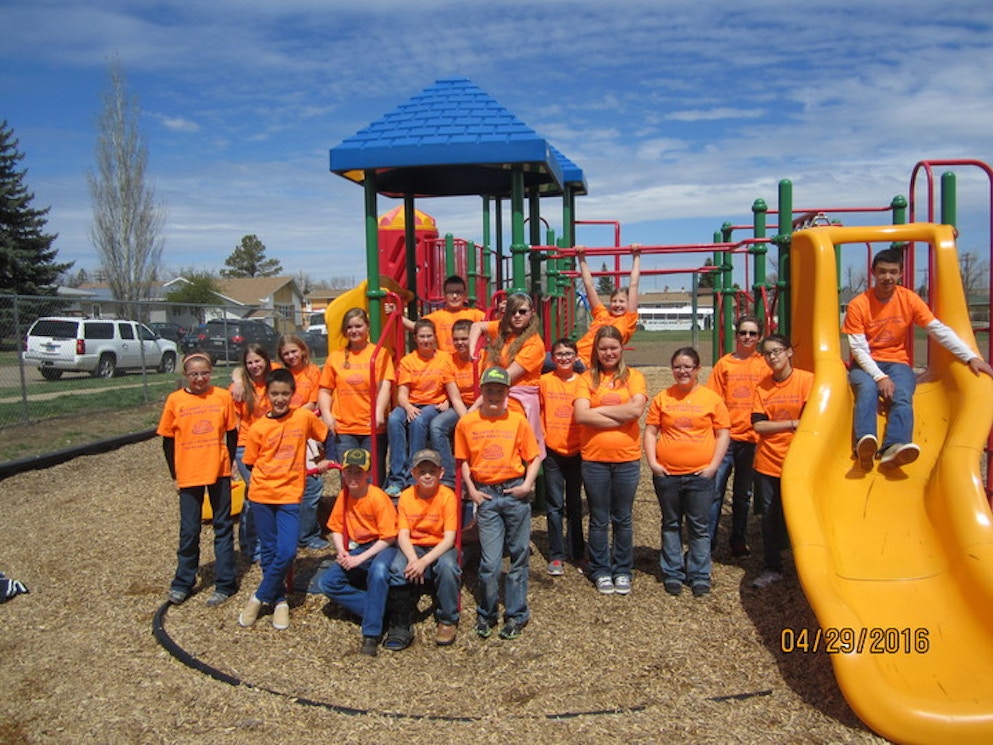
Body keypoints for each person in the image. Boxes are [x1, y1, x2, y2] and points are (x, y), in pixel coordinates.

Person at [844, 246, 993, 469]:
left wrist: (970, 356)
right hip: (866, 364)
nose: (887, 277)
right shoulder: (859, 304)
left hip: (897, 361)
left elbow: (937, 329)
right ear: (873, 273)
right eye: (882, 271)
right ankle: (865, 442)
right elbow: (858, 349)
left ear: (900, 274)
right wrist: (879, 377)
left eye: (893, 272)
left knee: (903, 393)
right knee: (867, 389)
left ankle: (895, 445)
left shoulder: (909, 299)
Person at [238, 368, 334, 630]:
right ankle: (279, 600)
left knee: (288, 550)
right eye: (274, 394)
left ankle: (259, 597)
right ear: (267, 396)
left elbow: (327, 435)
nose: (280, 399)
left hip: (290, 493)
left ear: (292, 394)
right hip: (262, 494)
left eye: (285, 393)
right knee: (269, 551)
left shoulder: (302, 418)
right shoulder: (259, 427)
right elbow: (249, 462)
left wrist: (326, 458)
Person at [455, 366, 541, 641]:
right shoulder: (467, 423)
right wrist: (472, 491)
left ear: (507, 393)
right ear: (481, 392)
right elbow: (464, 461)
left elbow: (534, 456)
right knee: (490, 562)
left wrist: (527, 485)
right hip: (487, 496)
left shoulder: (516, 420)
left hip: (514, 493)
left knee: (518, 556)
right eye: (489, 390)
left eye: (500, 390)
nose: (494, 395)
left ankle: (516, 614)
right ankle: (487, 613)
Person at [644, 348, 730, 597]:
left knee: (698, 526)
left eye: (688, 367)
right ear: (672, 369)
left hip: (699, 475)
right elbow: (650, 431)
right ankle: (672, 571)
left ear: (697, 370)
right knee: (671, 523)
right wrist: (653, 463)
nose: (682, 371)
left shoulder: (711, 399)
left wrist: (713, 466)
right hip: (668, 475)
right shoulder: (663, 398)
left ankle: (699, 573)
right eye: (678, 367)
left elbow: (723, 433)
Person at [157, 352, 238, 607]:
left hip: (218, 469)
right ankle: (183, 581)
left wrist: (232, 461)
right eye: (194, 374)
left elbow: (232, 433)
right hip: (189, 472)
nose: (200, 378)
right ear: (186, 376)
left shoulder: (222, 396)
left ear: (210, 372)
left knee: (222, 526)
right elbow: (167, 441)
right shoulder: (175, 400)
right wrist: (175, 475)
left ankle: (226, 582)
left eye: (204, 373)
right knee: (190, 530)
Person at [573, 325, 647, 596]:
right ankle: (601, 568)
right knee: (599, 517)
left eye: (613, 347)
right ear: (596, 350)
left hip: (626, 458)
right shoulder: (586, 379)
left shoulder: (634, 377)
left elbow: (637, 410)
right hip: (595, 458)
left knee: (623, 517)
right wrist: (620, 414)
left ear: (621, 348)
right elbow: (581, 415)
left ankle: (623, 569)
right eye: (603, 348)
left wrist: (598, 410)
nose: (608, 352)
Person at [316, 448, 398, 656]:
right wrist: (342, 551)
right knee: (328, 583)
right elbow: (336, 527)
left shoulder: (378, 498)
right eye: (349, 472)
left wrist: (359, 558)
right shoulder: (344, 496)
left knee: (378, 572)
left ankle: (371, 633)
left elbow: (388, 537)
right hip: (357, 547)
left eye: (358, 472)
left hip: (381, 546)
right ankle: (379, 611)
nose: (353, 477)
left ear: (368, 474)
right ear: (342, 473)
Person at [750, 334, 814, 588]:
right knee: (769, 516)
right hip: (768, 462)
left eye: (777, 351)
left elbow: (811, 420)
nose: (772, 357)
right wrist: (792, 424)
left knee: (801, 516)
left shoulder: (806, 381)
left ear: (789, 352)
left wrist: (792, 425)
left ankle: (806, 567)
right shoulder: (763, 387)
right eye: (767, 353)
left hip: (800, 462)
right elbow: (758, 425)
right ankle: (772, 566)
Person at [383, 449, 461, 650]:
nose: (427, 475)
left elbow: (449, 538)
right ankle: (401, 621)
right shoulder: (407, 496)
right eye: (422, 471)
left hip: (439, 545)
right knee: (398, 567)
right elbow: (403, 534)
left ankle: (447, 619)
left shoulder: (447, 496)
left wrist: (423, 562)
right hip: (414, 546)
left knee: (448, 566)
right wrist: (412, 559)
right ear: (413, 473)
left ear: (441, 473)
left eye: (432, 471)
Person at [705, 314, 767, 557]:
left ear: (759, 337)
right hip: (727, 438)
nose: (747, 337)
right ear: (737, 335)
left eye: (752, 333)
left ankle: (737, 539)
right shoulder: (725, 364)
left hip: (753, 439)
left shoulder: (764, 365)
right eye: (743, 333)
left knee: (743, 494)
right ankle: (707, 542)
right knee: (715, 492)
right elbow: (714, 400)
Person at [317, 308, 395, 486]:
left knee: (372, 478)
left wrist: (378, 412)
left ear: (367, 327)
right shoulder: (335, 358)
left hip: (371, 427)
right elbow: (325, 390)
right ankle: (349, 512)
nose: (354, 331)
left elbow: (385, 385)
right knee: (349, 478)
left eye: (358, 326)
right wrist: (328, 417)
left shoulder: (379, 354)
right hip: (344, 428)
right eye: (349, 327)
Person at [385, 319, 461, 496]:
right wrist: (408, 406)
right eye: (422, 337)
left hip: (433, 403)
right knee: (395, 419)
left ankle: (413, 477)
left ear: (435, 337)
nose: (425, 340)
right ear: (415, 338)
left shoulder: (444, 359)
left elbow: (451, 386)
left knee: (418, 421)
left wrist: (448, 400)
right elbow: (402, 394)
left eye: (429, 336)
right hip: (412, 402)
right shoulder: (408, 361)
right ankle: (397, 478)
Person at [467, 291, 546, 455]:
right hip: (497, 391)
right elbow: (477, 326)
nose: (517, 316)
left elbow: (505, 378)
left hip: (518, 395)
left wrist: (475, 405)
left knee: (505, 431)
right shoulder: (503, 330)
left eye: (522, 312)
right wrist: (472, 351)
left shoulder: (534, 343)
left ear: (531, 313)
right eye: (512, 312)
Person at [277, 334, 329, 550]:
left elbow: (313, 401)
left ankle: (306, 532)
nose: (290, 356)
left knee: (313, 481)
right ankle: (300, 533)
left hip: (308, 431)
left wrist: (293, 414)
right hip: (286, 433)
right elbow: (250, 365)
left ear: (302, 350)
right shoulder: (279, 373)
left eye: (293, 351)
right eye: (286, 353)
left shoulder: (312, 372)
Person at [538, 338, 586, 575]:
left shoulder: (584, 382)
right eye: (559, 354)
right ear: (552, 358)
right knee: (554, 504)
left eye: (568, 353)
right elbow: (538, 411)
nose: (564, 358)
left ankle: (577, 552)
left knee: (575, 504)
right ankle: (556, 554)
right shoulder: (545, 381)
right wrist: (543, 440)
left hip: (578, 450)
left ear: (576, 356)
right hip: (553, 450)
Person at [231, 343, 277, 563]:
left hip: (272, 445)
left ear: (266, 360)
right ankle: (252, 545)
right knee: (256, 494)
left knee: (265, 494)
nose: (254, 365)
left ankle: (264, 541)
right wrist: (239, 379)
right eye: (249, 362)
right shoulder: (242, 386)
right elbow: (237, 421)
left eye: (258, 360)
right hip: (246, 446)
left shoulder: (274, 375)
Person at [428, 318, 476, 487]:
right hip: (461, 406)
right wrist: (466, 418)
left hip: (482, 405)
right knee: (437, 425)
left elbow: (486, 391)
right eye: (456, 339)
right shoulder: (450, 361)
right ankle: (450, 477)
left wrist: (473, 414)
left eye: (464, 339)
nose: (459, 343)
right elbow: (455, 396)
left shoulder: (483, 357)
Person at [575, 245, 641, 368]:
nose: (617, 305)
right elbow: (589, 285)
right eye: (614, 301)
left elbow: (633, 285)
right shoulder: (602, 313)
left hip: (587, 363)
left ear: (628, 303)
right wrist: (581, 258)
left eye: (622, 301)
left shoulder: (628, 320)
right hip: (573, 354)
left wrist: (636, 256)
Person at [401, 274, 485, 353]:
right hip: (445, 363)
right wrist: (394, 313)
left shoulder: (475, 315)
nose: (454, 296)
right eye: (450, 292)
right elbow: (415, 326)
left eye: (458, 292)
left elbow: (494, 324)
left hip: (468, 361)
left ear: (464, 294)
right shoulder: (437, 316)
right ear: (444, 295)